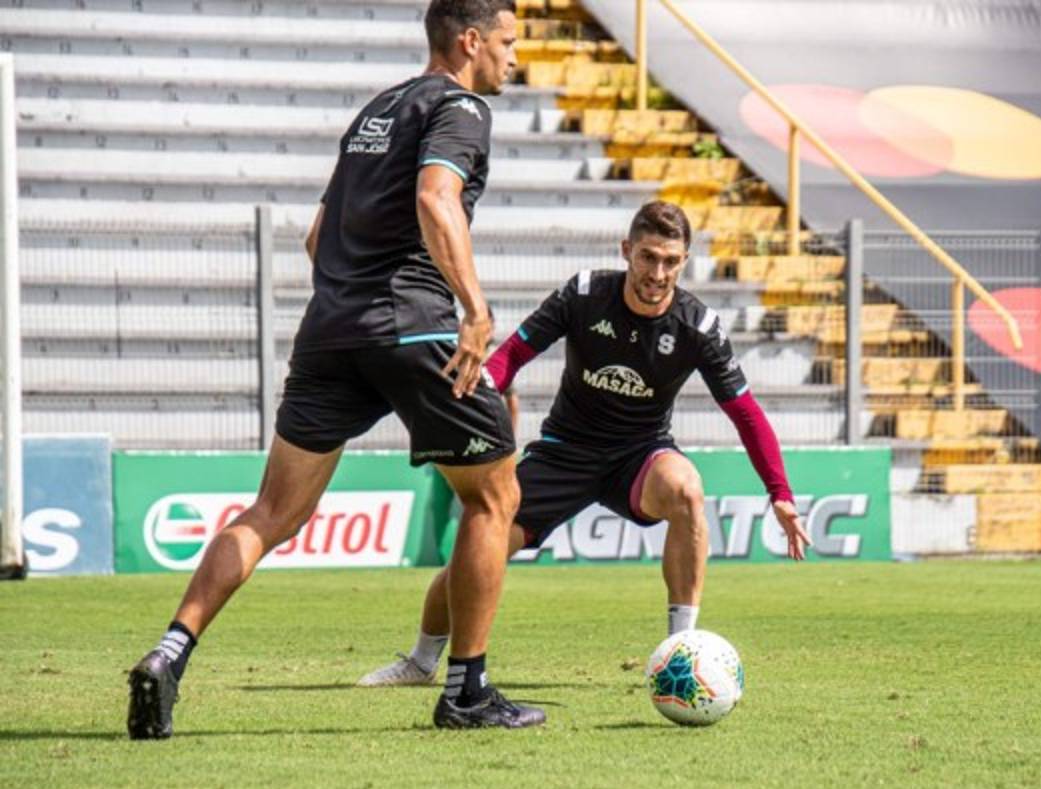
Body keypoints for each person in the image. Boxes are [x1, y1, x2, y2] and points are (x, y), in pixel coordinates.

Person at [126, 0, 545, 737]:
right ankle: (467, 692)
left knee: (270, 515)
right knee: (494, 499)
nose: (515, 57)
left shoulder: (375, 110)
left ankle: (169, 653)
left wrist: (357, 301)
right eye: (509, 42)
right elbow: (435, 197)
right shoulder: (462, 107)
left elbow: (319, 237)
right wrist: (473, 309)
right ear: (471, 41)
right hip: (414, 328)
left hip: (329, 331)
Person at [357, 201, 811, 688]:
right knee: (480, 547)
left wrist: (779, 493)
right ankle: (422, 662)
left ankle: (681, 651)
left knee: (686, 491)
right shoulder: (584, 294)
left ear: (684, 261)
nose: (658, 272)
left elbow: (745, 412)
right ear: (626, 252)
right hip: (563, 452)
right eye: (648, 257)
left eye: (670, 261)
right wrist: (473, 395)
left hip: (641, 455)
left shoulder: (697, 327)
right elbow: (514, 354)